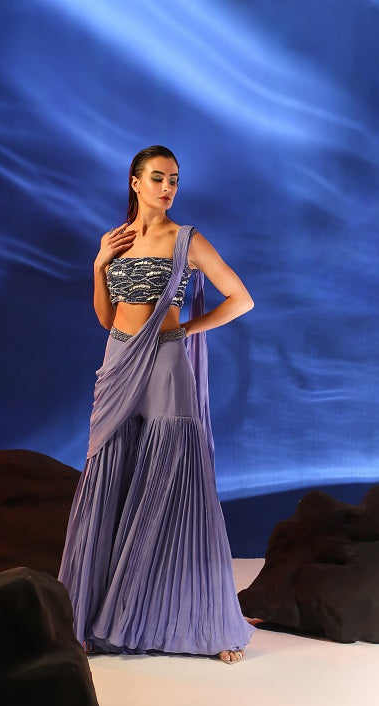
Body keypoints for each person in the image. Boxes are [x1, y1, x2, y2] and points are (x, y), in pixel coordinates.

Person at [58, 145, 255, 664]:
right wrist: (99, 264)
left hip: (165, 361)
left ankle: (208, 624)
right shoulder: (116, 240)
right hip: (117, 360)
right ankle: (91, 618)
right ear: (135, 182)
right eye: (159, 178)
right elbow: (107, 318)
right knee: (109, 473)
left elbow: (241, 298)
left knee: (177, 479)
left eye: (174, 180)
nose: (168, 188)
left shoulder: (186, 239)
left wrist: (186, 330)